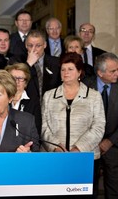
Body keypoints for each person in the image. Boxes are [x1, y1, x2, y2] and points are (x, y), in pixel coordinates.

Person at [41, 52, 105, 199]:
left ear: (79, 72)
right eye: (63, 69)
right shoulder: (49, 96)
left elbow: (99, 126)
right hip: (56, 158)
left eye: (70, 69)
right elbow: (44, 127)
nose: (65, 73)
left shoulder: (94, 96)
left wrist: (78, 149)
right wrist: (56, 147)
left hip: (85, 159)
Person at [83, 53, 118, 199]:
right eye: (113, 71)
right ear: (100, 73)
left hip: (113, 146)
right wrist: (93, 141)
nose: (117, 73)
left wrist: (110, 141)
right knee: (89, 188)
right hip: (88, 146)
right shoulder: (84, 86)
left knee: (114, 188)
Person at [24, 30, 61, 103]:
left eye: (38, 46)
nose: (34, 49)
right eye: (30, 45)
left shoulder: (56, 63)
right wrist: (28, 64)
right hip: (28, 107)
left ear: (45, 45)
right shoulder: (18, 61)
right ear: (26, 45)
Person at [5, 63, 42, 135]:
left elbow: (36, 129)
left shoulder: (33, 102)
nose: (17, 81)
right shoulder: (2, 99)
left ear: (25, 83)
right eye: (13, 78)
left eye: (20, 78)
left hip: (25, 144)